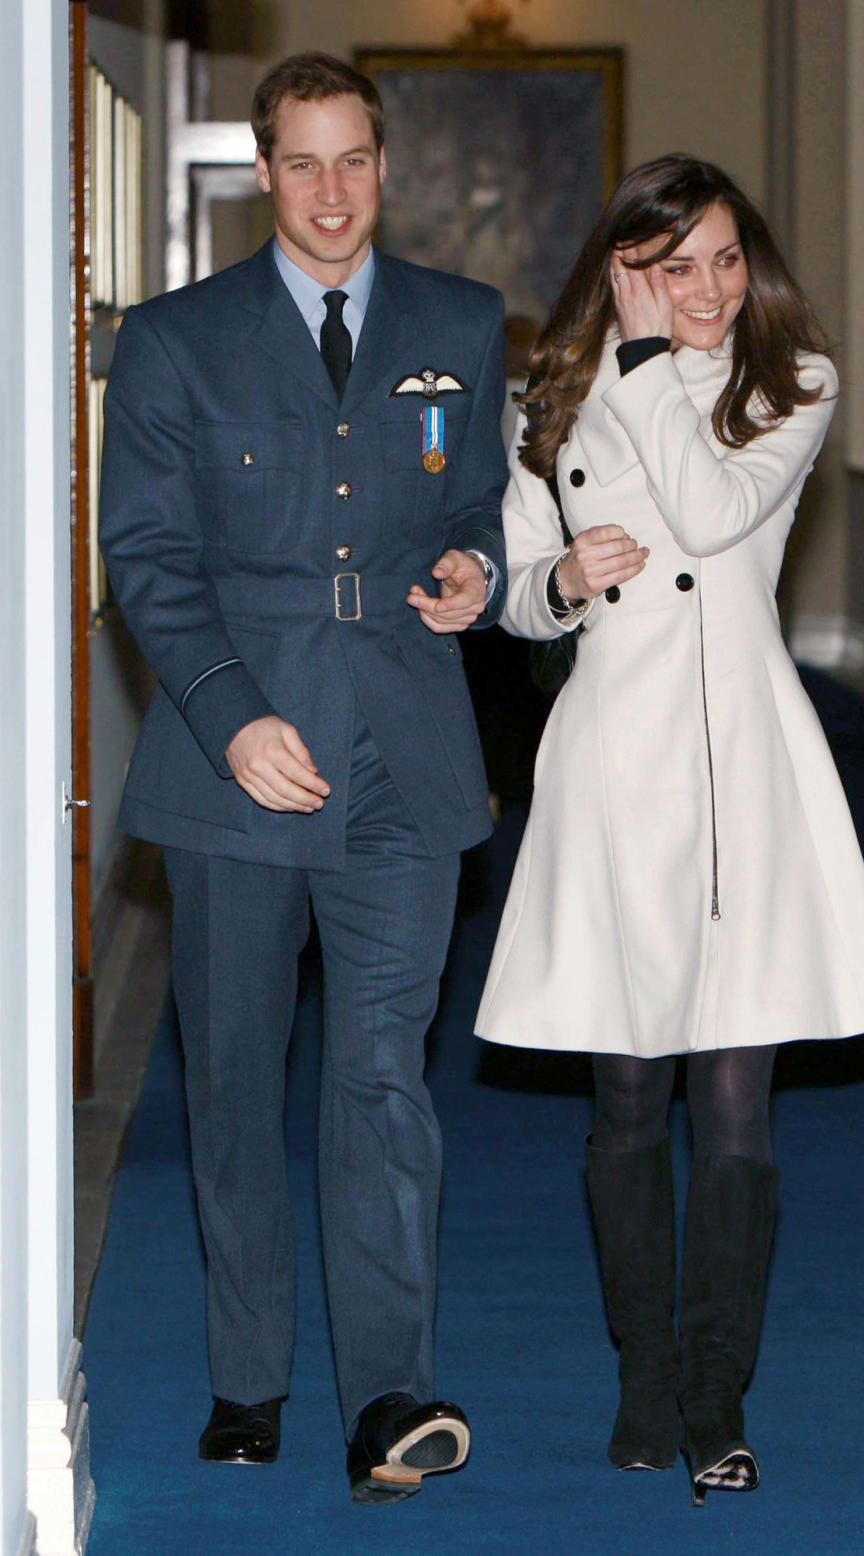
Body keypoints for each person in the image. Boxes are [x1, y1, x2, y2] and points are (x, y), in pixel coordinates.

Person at [99, 52, 507, 1505]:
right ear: (263, 174)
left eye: (357, 162)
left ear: (383, 166)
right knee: (233, 1077)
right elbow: (145, 560)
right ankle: (247, 1373)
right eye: (305, 164)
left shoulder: (462, 323)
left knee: (383, 1077)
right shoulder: (174, 340)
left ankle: (390, 1391)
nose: (333, 194)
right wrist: (225, 715)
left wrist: (478, 569)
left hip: (405, 745)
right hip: (239, 763)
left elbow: (475, 504)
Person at [475, 155, 864, 1505]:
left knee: (733, 1102)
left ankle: (717, 1399)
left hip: (741, 770)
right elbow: (520, 597)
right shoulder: (548, 397)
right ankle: (644, 1380)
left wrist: (652, 354)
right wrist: (553, 576)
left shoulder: (795, 386)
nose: (707, 287)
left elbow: (713, 519)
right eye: (674, 264)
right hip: (612, 758)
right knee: (623, 1095)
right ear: (622, 267)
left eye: (724, 258)